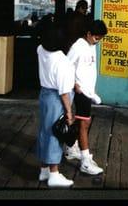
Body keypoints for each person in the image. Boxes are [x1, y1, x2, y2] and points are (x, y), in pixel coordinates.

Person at [64, 19, 108, 175]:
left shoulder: (91, 45)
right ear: (88, 33)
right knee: (84, 123)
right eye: (96, 38)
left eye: (100, 39)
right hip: (80, 91)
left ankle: (70, 147)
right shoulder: (77, 47)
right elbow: (67, 66)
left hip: (89, 90)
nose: (97, 41)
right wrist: (75, 84)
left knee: (83, 122)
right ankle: (85, 161)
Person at [36, 21, 75, 188]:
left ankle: (44, 170)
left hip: (44, 94)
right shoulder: (62, 61)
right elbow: (64, 92)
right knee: (56, 133)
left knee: (44, 131)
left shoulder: (40, 50)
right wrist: (69, 113)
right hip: (56, 99)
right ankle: (54, 173)